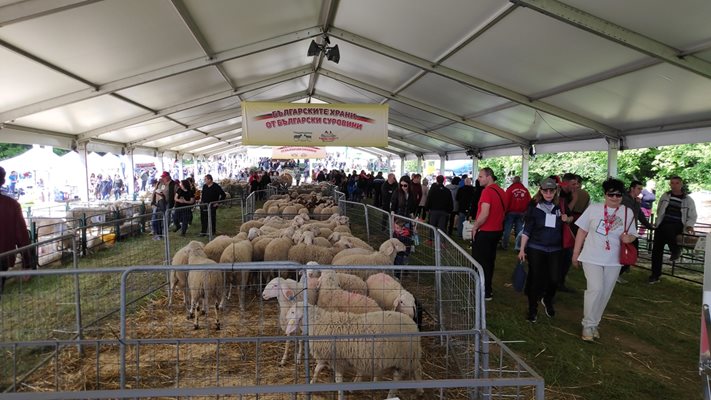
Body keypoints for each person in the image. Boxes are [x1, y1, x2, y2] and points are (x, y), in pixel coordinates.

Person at [573, 178, 638, 341]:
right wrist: (575, 254)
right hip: (591, 256)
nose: (615, 198)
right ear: (605, 194)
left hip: (614, 260)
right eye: (611, 194)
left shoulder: (626, 212)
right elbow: (581, 232)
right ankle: (587, 325)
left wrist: (628, 239)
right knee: (595, 289)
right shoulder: (593, 209)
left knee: (605, 293)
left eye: (618, 195)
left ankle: (595, 323)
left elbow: (632, 234)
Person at [518, 178, 565, 322]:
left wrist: (567, 218)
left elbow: (569, 221)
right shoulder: (534, 207)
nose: (549, 193)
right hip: (536, 247)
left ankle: (547, 298)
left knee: (555, 279)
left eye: (552, 190)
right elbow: (527, 230)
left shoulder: (560, 206)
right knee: (536, 279)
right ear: (541, 191)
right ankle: (532, 310)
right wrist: (522, 249)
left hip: (555, 248)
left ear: (556, 191)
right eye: (546, 190)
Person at [649, 176, 697, 284]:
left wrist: (689, 225)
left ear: (681, 184)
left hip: (677, 225)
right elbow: (660, 209)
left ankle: (674, 250)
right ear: (670, 184)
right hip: (663, 224)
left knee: (667, 228)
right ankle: (655, 275)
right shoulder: (665, 196)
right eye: (672, 183)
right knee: (656, 250)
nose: (674, 185)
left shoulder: (688, 200)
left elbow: (692, 215)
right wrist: (658, 222)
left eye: (676, 183)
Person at [470, 167, 508, 301]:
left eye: (481, 176)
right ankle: (487, 290)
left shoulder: (487, 192)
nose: (478, 179)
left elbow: (485, 213)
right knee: (489, 261)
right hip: (497, 231)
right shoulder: (501, 191)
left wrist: (475, 226)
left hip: (486, 231)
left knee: (479, 262)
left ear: (489, 177)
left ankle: (482, 290)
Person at [0, 167, 33, 299]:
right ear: (2, 181)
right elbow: (22, 236)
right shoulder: (11, 205)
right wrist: (27, 263)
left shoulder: (12, 205)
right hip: (2, 256)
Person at [618, 180, 654, 283]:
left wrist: (649, 226)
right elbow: (632, 213)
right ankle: (616, 273)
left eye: (641, 189)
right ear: (632, 188)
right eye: (638, 188)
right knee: (627, 253)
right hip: (623, 230)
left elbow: (640, 215)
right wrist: (638, 204)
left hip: (632, 232)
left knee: (633, 253)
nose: (640, 191)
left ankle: (618, 272)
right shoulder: (625, 199)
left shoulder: (635, 201)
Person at [502, 176, 531, 250]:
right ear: (520, 181)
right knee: (519, 229)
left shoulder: (510, 189)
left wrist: (504, 212)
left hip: (511, 212)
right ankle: (519, 246)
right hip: (521, 213)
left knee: (507, 229)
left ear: (513, 181)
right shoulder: (525, 190)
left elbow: (506, 201)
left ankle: (505, 245)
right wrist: (526, 212)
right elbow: (529, 202)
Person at [150, 171, 176, 240]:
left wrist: (175, 204)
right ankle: (158, 233)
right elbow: (155, 191)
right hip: (158, 203)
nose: (162, 178)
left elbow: (176, 194)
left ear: (168, 177)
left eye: (164, 177)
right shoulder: (160, 183)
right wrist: (152, 201)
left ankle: (164, 233)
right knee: (155, 219)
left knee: (166, 218)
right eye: (162, 177)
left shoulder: (173, 184)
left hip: (168, 204)